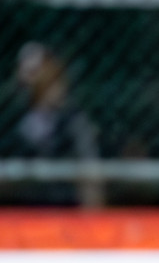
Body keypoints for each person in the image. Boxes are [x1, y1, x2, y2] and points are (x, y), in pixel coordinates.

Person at [12, 41, 104, 208]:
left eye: (36, 72)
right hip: (23, 208)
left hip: (64, 206)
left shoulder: (72, 120)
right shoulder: (16, 119)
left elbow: (89, 169)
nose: (29, 79)